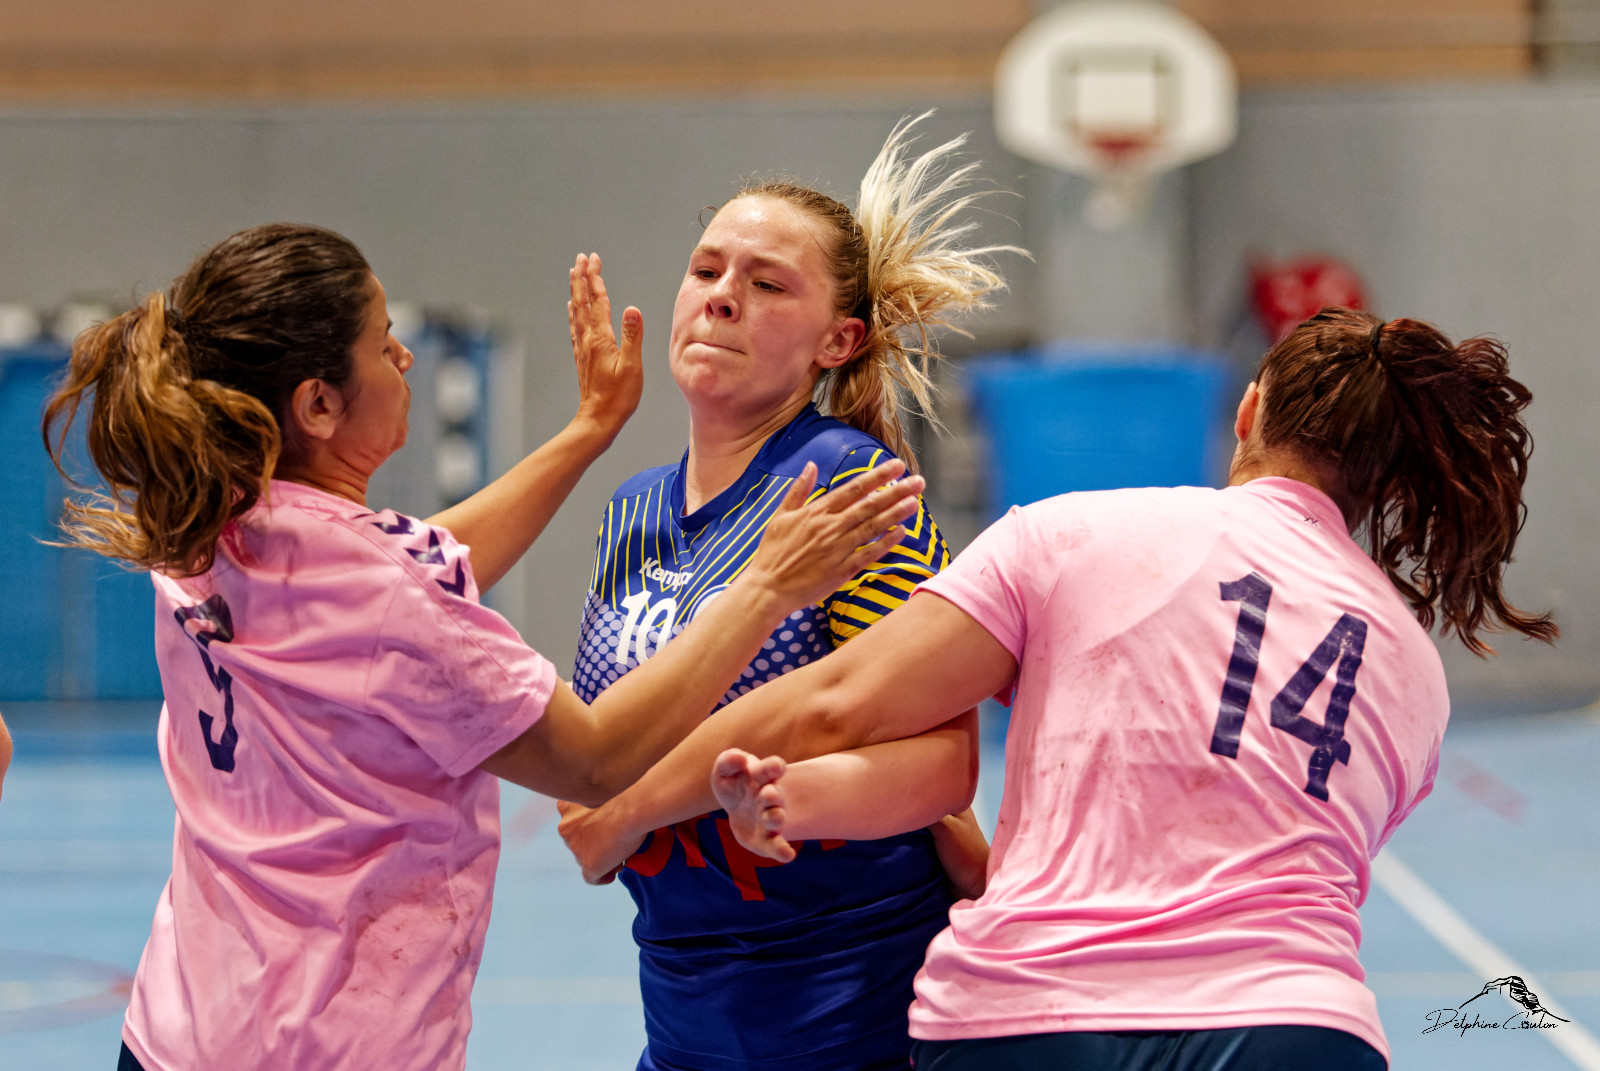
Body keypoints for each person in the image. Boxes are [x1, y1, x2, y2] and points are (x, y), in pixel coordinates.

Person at [562, 306, 1557, 1070]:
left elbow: (834, 704)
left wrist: (626, 805)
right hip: (1298, 1027)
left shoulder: (1075, 532)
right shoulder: (1414, 672)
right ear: (1388, 480)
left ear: (1248, 412)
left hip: (1035, 1015)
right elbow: (1234, 860)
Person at [40, 222, 923, 1071]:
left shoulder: (210, 525)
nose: (405, 357)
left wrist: (589, 429)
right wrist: (766, 589)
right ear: (318, 404)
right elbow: (594, 759)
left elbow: (422, 563)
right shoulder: (382, 593)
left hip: (178, 1026)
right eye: (384, 342)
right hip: (325, 1042)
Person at [555, 116, 1018, 1071]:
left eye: (767, 284)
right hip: (683, 1022)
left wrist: (785, 799)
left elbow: (941, 768)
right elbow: (596, 768)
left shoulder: (847, 487)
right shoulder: (630, 512)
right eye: (706, 269)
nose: (722, 296)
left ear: (837, 340)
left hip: (854, 1020)